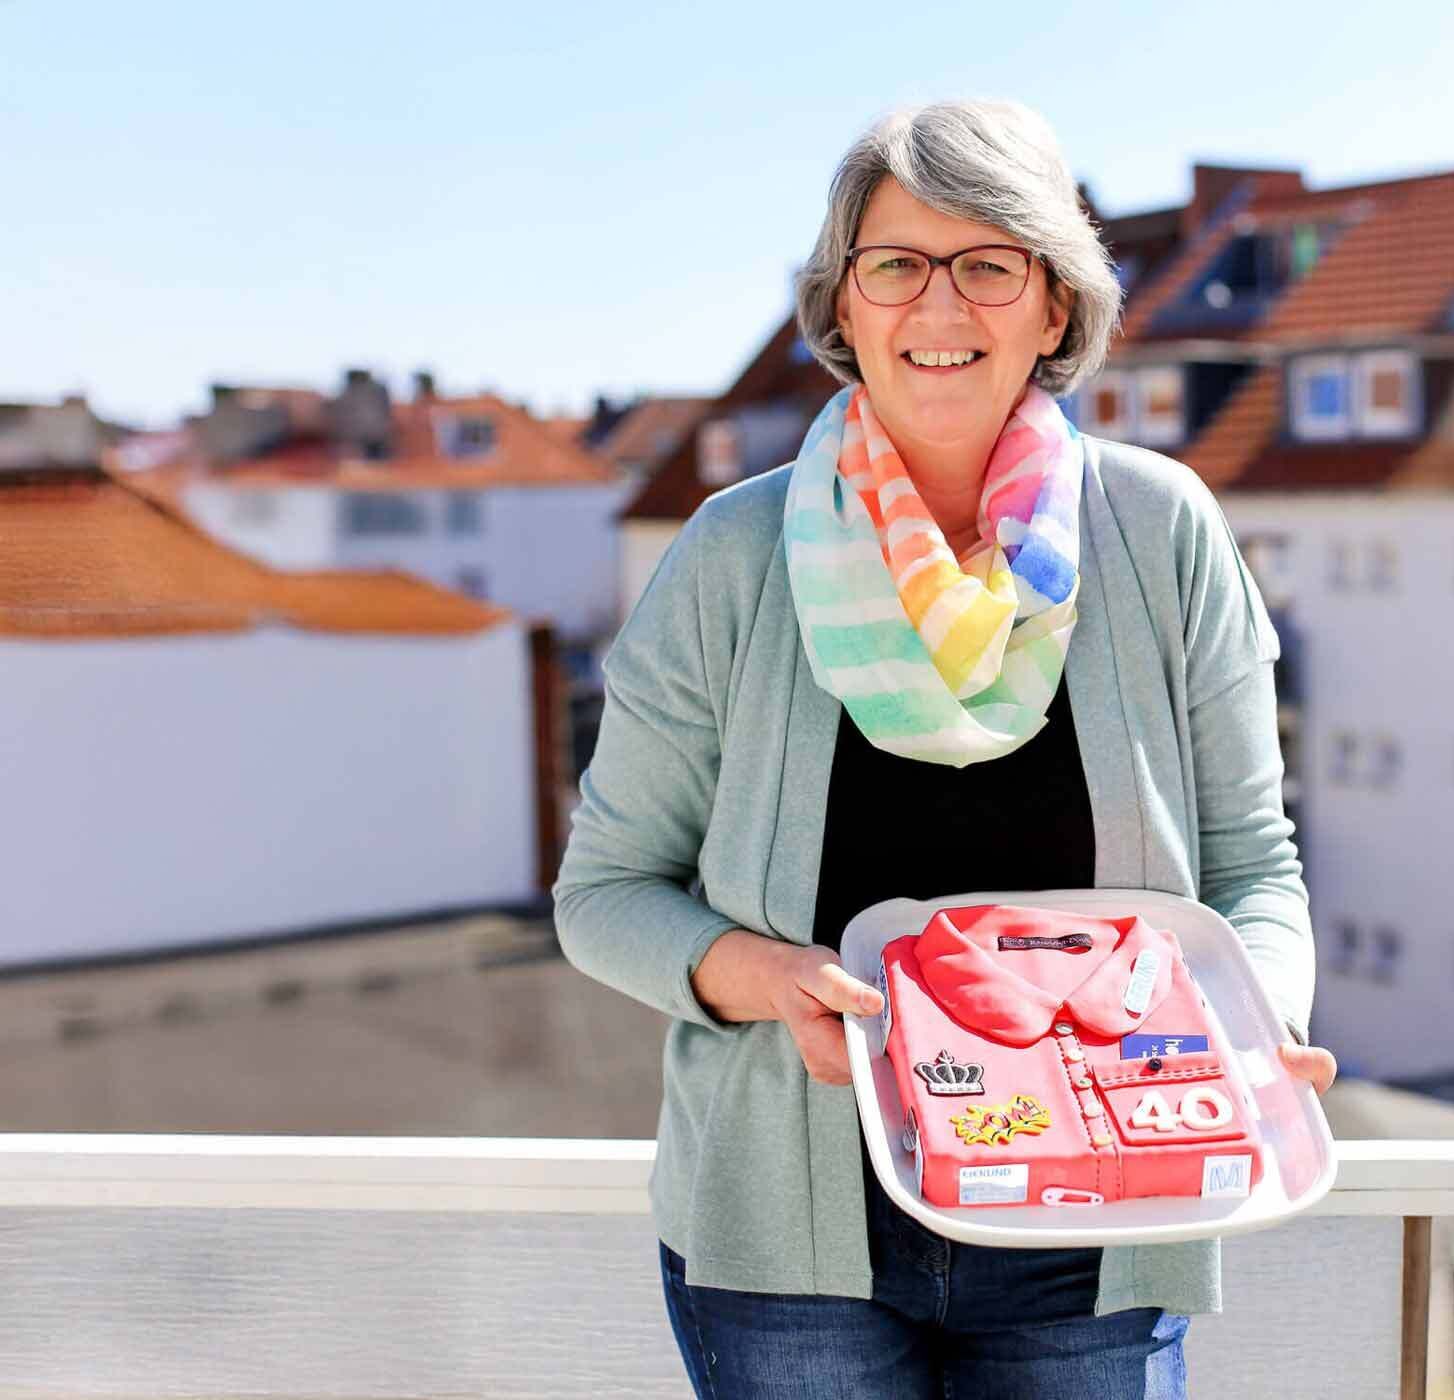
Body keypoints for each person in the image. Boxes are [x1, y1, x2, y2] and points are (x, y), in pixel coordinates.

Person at [554, 98, 1336, 1400]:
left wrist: (1259, 1028)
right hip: (794, 1257)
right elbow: (602, 899)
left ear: (1054, 306)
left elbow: (1257, 868)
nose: (940, 306)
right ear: (844, 307)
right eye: (897, 265)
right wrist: (759, 979)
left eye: (989, 264)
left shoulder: (1161, 529)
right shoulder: (731, 560)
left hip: (1107, 1223)